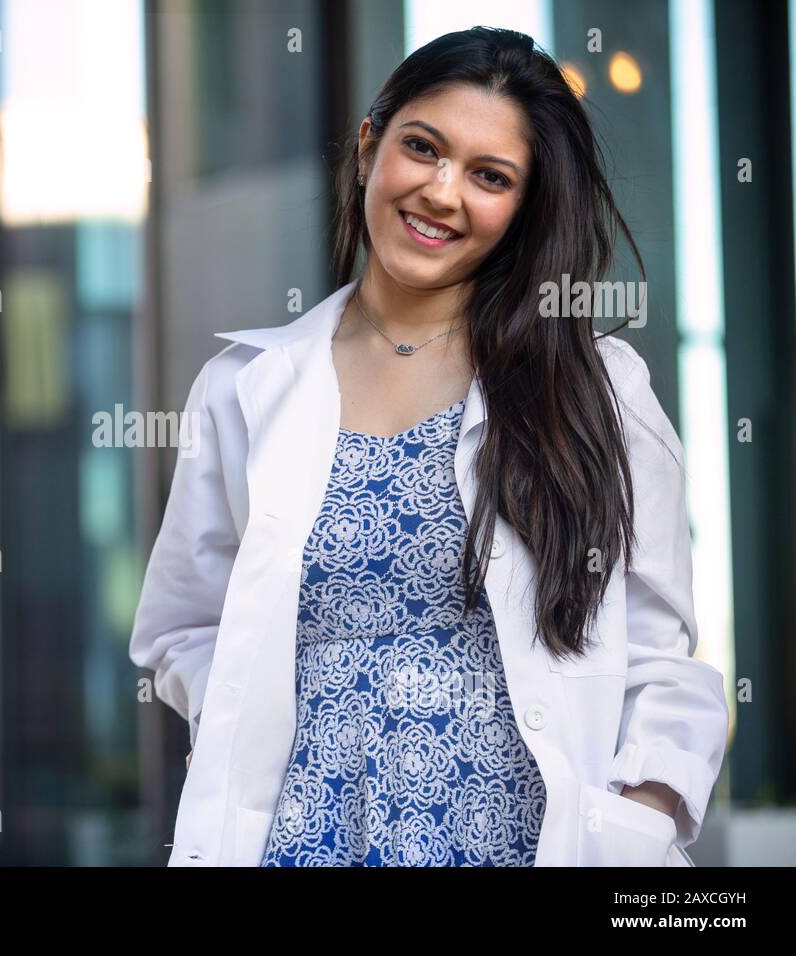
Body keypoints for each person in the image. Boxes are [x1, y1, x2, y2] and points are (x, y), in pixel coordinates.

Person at [129, 26, 729, 867]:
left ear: (522, 208)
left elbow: (661, 657)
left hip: (526, 844)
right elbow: (181, 626)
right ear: (371, 145)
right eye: (423, 148)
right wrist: (261, 709)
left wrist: (642, 817)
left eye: (490, 177)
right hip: (302, 839)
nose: (442, 193)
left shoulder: (598, 390)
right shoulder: (242, 388)